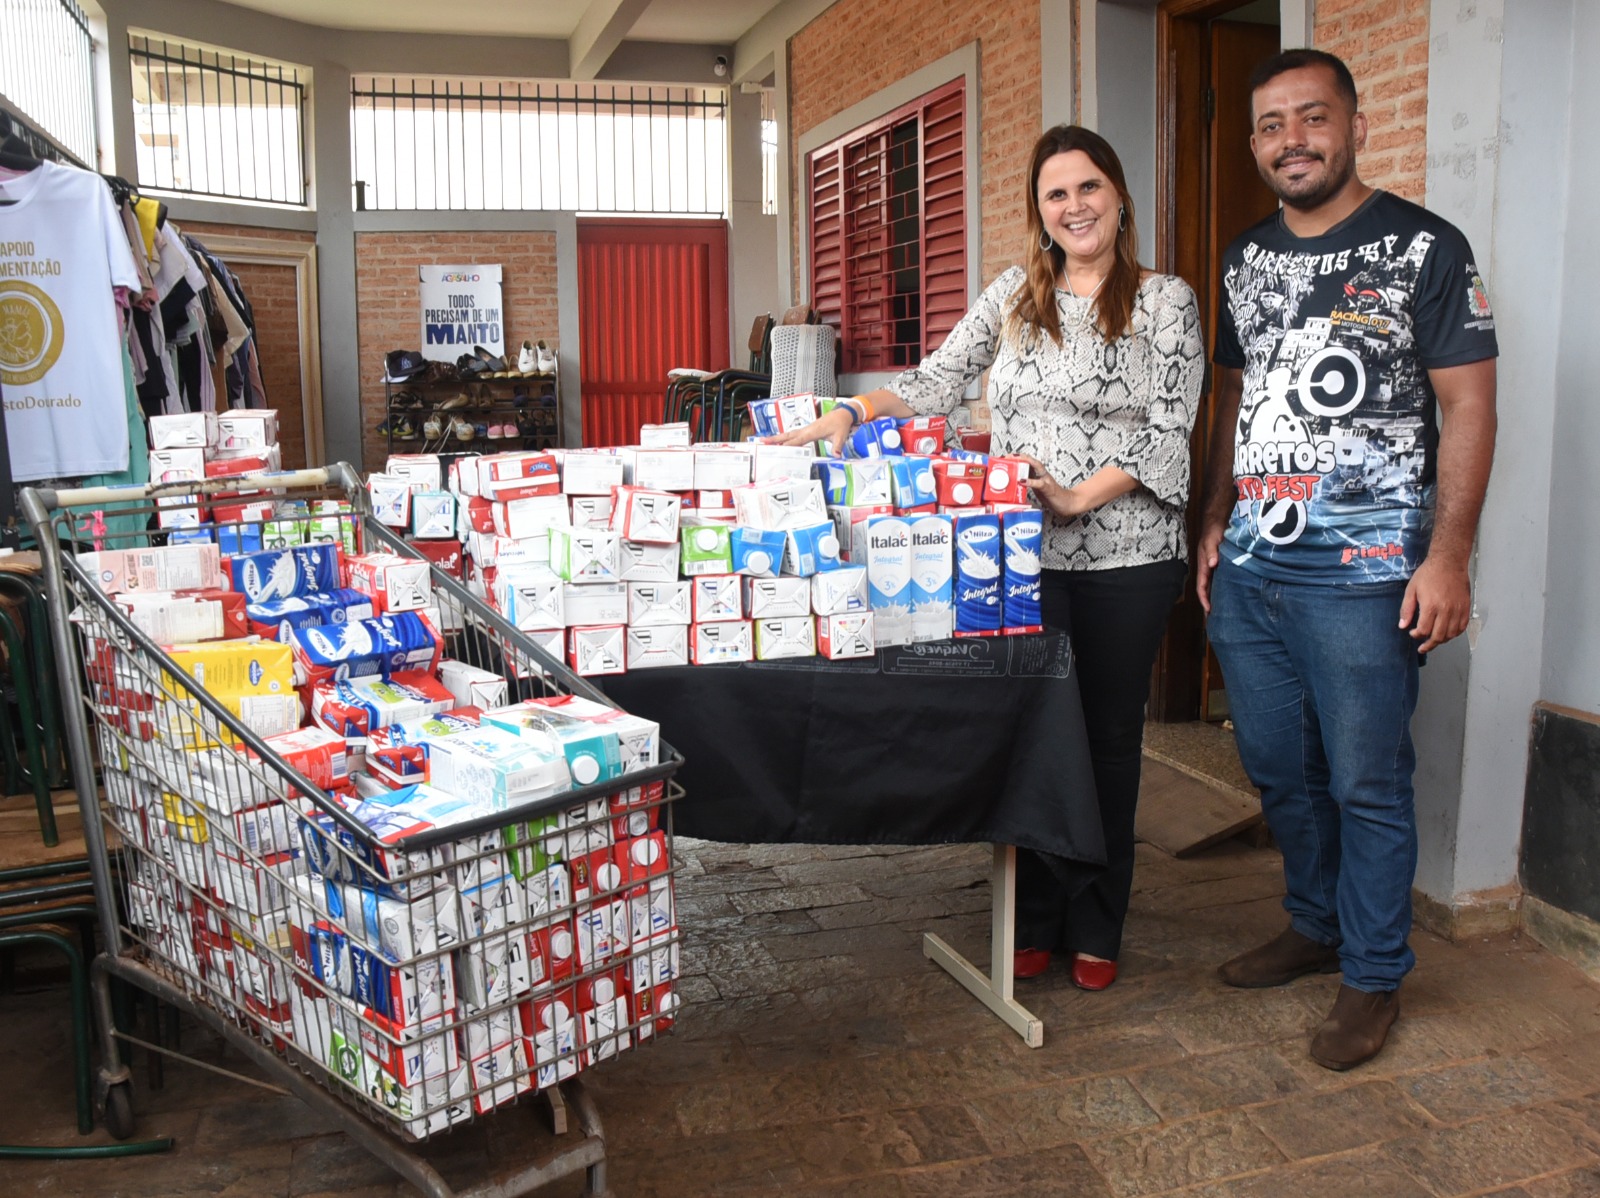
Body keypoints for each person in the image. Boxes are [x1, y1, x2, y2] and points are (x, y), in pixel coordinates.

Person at [773, 125, 1204, 991]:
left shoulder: (1165, 301)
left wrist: (1080, 496)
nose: (1074, 206)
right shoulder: (1015, 294)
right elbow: (936, 380)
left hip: (1125, 559)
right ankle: (1033, 914)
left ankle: (1098, 921)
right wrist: (850, 416)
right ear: (1040, 213)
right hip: (1016, 554)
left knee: (1109, 743)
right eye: (1056, 194)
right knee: (1031, 738)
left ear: (1118, 197)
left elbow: (1170, 431)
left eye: (1089, 187)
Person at [1196, 49, 1498, 1070]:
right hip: (1251, 570)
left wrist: (1448, 553)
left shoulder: (1427, 247)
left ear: (1355, 124)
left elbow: (1467, 403)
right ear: (1254, 145)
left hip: (1367, 577)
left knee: (1368, 780)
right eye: (1272, 125)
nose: (1293, 140)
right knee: (1279, 769)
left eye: (1312, 118)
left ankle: (1372, 975)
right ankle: (1313, 922)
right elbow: (1236, 400)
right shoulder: (1242, 259)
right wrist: (1211, 522)